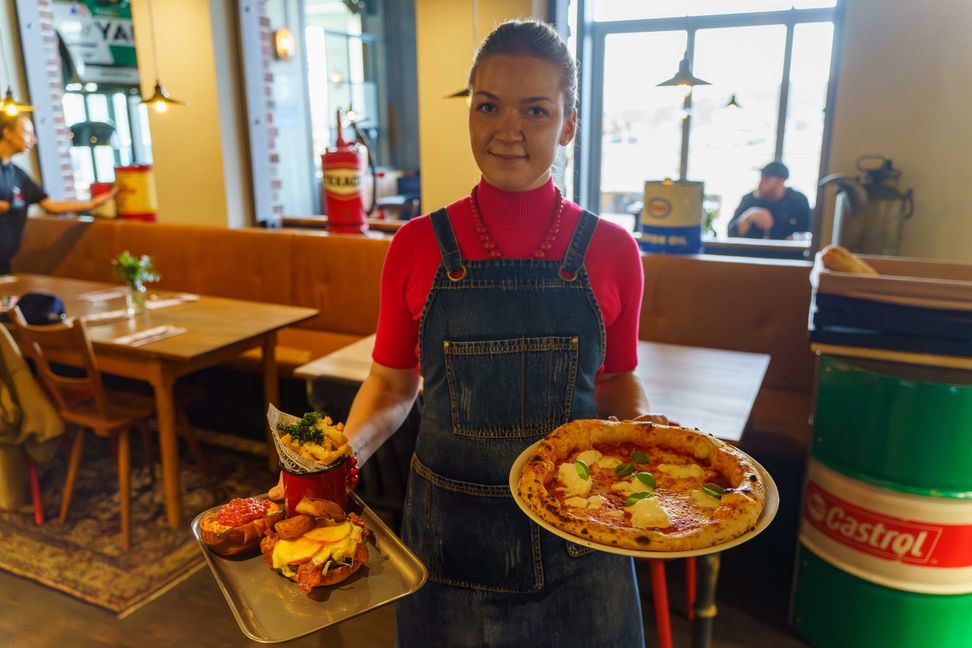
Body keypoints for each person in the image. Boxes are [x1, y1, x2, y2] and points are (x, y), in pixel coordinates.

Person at [271, 19, 651, 647]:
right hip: (448, 545)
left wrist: (646, 447)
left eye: (536, 110)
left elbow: (616, 382)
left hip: (584, 541)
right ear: (470, 112)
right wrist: (334, 466)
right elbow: (393, 385)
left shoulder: (612, 251)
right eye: (489, 106)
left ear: (569, 124)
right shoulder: (416, 245)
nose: (509, 130)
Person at [0, 112, 117, 274]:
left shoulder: (18, 176)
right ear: (7, 133)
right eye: (27, 133)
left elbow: (51, 205)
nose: (33, 140)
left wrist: (93, 203)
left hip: (5, 262)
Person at [727, 161, 811, 240]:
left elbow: (807, 233)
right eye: (761, 178)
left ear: (781, 181)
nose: (760, 183)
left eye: (766, 179)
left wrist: (794, 238)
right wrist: (748, 216)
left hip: (785, 254)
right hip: (750, 253)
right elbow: (730, 233)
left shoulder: (798, 200)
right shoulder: (749, 199)